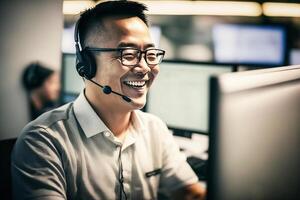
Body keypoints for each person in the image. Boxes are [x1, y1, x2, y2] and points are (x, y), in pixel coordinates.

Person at [12, 1, 206, 199]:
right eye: (128, 54)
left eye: (150, 54)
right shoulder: (44, 141)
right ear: (86, 64)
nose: (145, 68)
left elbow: (189, 193)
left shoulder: (155, 129)